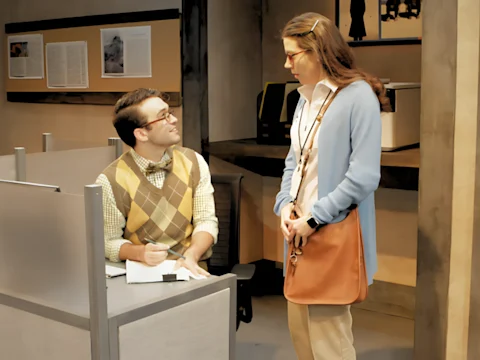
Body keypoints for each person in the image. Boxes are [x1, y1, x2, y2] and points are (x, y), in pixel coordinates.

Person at [274, 12, 390, 359]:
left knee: (330, 344)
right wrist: (284, 204)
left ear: (317, 50)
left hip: (328, 230)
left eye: (292, 55)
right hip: (298, 230)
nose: (286, 64)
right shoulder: (303, 98)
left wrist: (314, 218)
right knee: (302, 337)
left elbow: (365, 175)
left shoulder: (357, 96)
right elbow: (294, 160)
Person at [96, 88, 218, 277]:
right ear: (142, 134)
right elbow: (107, 242)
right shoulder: (111, 180)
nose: (174, 120)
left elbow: (206, 221)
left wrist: (192, 255)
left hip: (190, 271)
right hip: (141, 275)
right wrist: (140, 253)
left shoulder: (193, 161)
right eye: (164, 116)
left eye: (170, 113)